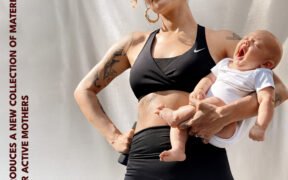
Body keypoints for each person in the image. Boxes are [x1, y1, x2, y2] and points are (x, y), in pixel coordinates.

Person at [74, 0, 288, 179]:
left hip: (202, 154)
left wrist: (227, 114)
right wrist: (114, 137)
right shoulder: (134, 43)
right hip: (144, 159)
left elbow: (278, 89)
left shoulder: (220, 40)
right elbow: (84, 90)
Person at [155, 30, 283, 162]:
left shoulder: (260, 73)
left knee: (209, 103)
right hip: (200, 118)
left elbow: (267, 100)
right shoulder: (225, 64)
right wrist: (199, 90)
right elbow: (208, 79)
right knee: (181, 124)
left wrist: (260, 126)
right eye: (247, 37)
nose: (247, 41)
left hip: (227, 126)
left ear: (267, 64)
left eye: (256, 44)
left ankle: (175, 116)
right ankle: (178, 149)